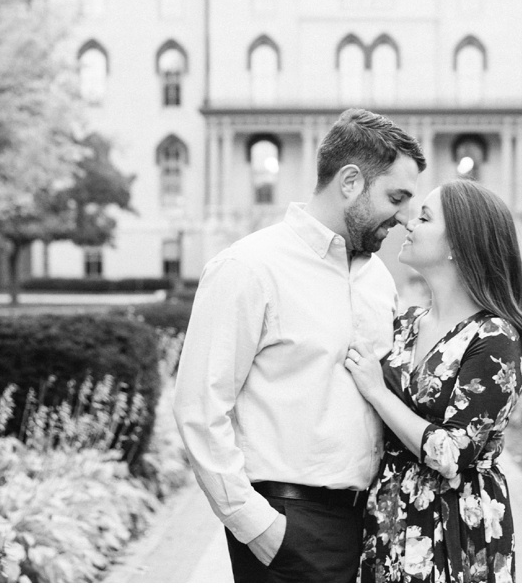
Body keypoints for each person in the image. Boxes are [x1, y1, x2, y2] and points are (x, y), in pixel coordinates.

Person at [174, 109, 425, 582]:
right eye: (397, 197)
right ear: (350, 181)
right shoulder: (249, 268)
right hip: (289, 524)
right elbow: (198, 407)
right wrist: (256, 525)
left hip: (375, 525)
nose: (405, 217)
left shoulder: (377, 279)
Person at [344, 177, 522, 583]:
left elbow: (452, 453)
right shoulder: (406, 325)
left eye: (425, 217)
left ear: (458, 245)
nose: (408, 223)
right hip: (388, 516)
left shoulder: (494, 338)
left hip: (455, 528)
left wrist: (378, 394)